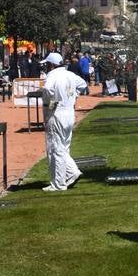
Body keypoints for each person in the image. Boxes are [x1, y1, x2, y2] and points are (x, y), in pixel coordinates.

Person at [40, 52, 88, 191]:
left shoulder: (52, 76)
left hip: (56, 112)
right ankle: (72, 172)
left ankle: (59, 183)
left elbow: (48, 89)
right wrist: (72, 96)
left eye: (47, 64)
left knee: (56, 148)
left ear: (52, 64)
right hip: (69, 112)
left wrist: (51, 101)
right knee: (63, 146)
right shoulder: (69, 74)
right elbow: (83, 84)